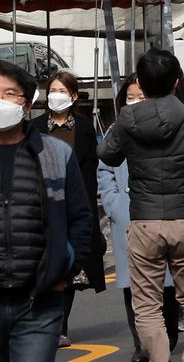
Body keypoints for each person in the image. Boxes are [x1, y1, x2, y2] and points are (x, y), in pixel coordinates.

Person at [98, 49, 184, 362]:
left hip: (145, 219)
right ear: (176, 81)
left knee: (147, 303)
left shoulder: (127, 118)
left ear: (141, 84)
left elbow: (107, 155)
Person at [0, 60, 91, 362]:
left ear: (26, 104)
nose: (1, 100)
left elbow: (80, 216)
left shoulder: (55, 153)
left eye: (9, 93)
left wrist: (66, 267)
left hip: (38, 301)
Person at [98, 74, 179, 362]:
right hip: (127, 218)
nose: (135, 102)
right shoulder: (116, 132)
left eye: (141, 96)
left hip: (164, 214)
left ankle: (167, 336)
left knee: (166, 286)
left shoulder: (170, 128)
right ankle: (141, 345)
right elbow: (105, 171)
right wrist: (115, 204)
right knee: (133, 286)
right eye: (131, 97)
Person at [33, 72, 106, 349]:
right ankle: (44, 323)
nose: (56, 95)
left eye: (62, 90)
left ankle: (60, 325)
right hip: (45, 205)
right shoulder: (37, 127)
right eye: (52, 90)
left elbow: (90, 171)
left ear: (73, 96)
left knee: (69, 267)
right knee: (44, 264)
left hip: (74, 204)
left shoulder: (86, 128)